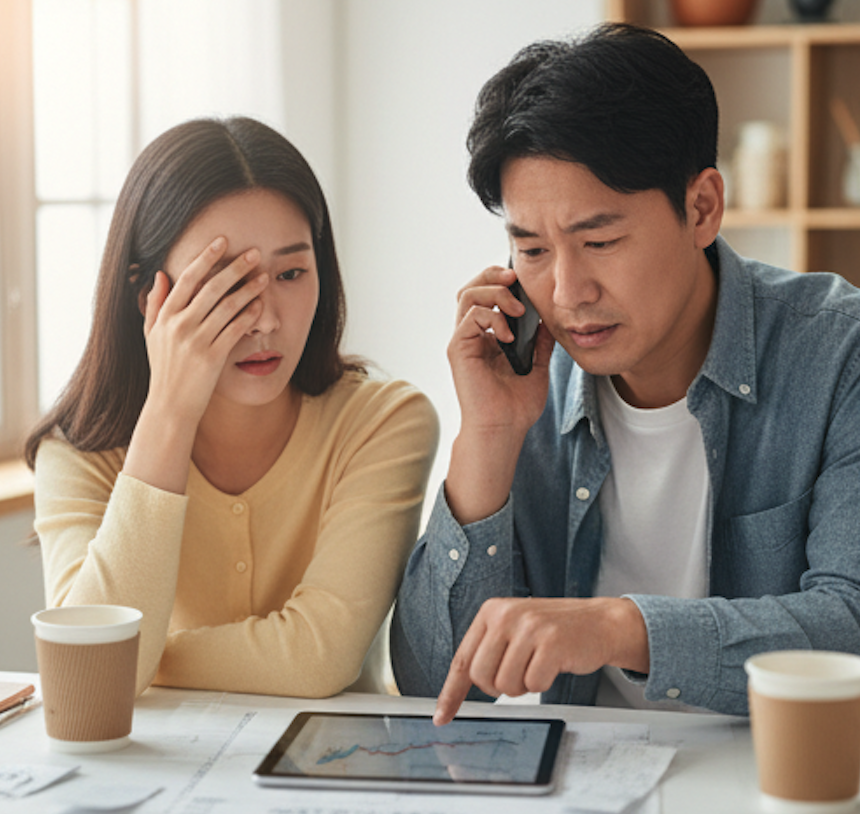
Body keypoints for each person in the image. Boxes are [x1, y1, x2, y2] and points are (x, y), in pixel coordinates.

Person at [390, 22, 860, 724]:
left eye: (601, 241)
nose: (567, 292)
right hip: (591, 778)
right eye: (532, 250)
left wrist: (620, 627)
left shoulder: (838, 353)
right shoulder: (527, 381)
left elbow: (849, 626)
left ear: (702, 208)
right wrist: (487, 436)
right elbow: (432, 682)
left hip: (771, 772)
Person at [26, 116, 438, 698]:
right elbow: (89, 674)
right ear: (147, 295)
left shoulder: (384, 423)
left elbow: (319, 659)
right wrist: (169, 412)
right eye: (225, 284)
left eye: (291, 273)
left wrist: (141, 658)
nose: (264, 320)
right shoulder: (77, 452)